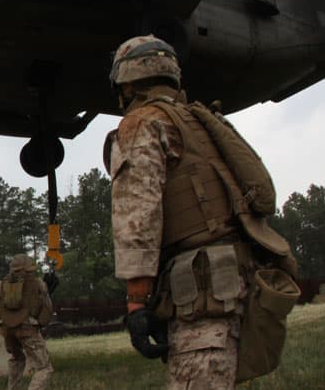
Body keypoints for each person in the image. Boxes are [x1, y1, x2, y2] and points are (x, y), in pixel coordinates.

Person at [105, 34, 295, 388]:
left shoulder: (142, 124)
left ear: (126, 82)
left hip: (202, 292)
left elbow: (137, 217)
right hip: (237, 282)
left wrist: (136, 302)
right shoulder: (199, 121)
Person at [0, 253, 54, 390]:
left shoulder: (4, 282)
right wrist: (46, 292)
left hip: (7, 330)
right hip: (26, 330)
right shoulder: (36, 283)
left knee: (17, 359)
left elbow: (0, 306)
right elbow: (46, 310)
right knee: (44, 368)